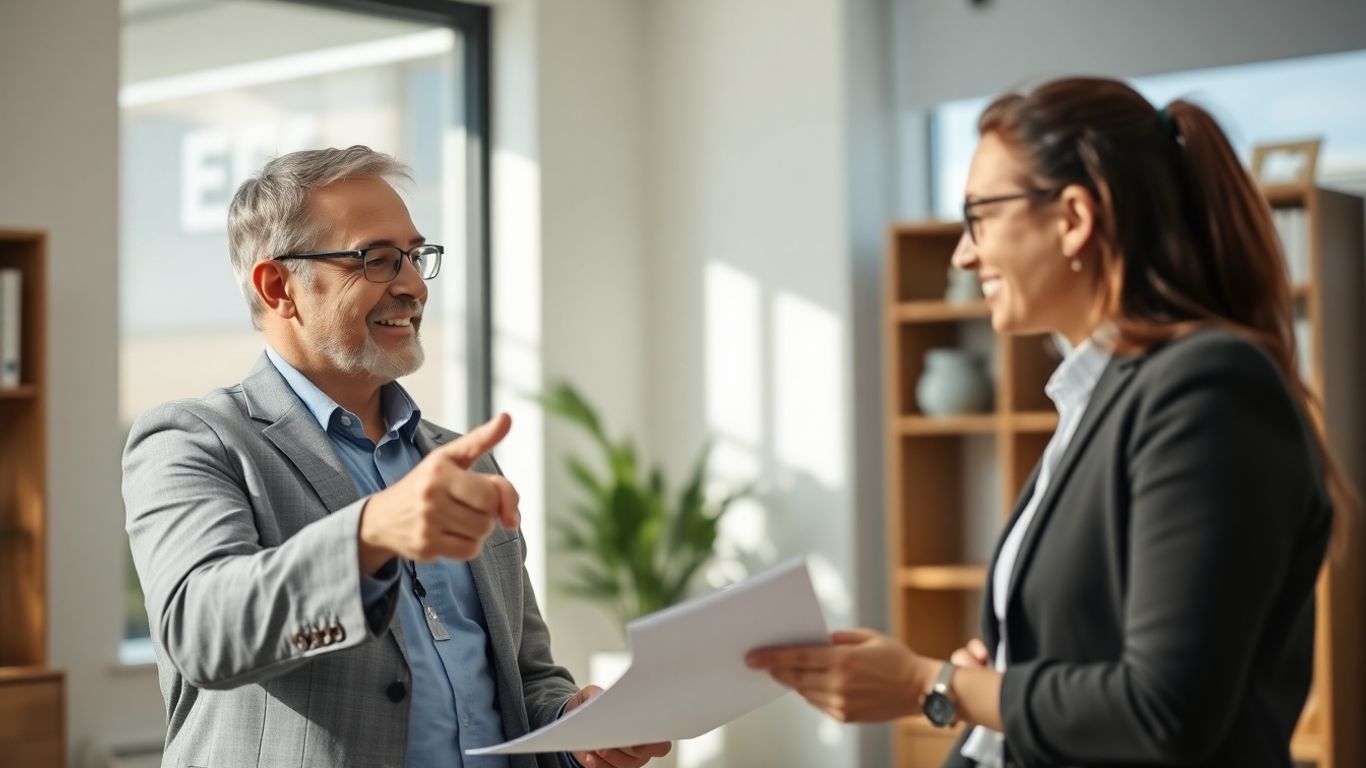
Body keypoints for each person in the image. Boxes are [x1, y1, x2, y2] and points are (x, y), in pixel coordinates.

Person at [746, 76, 1345, 767]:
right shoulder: (1097, 399)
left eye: (979, 217)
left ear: (1072, 219)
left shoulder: (1207, 389)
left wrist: (933, 684)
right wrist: (988, 680)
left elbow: (1163, 710)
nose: (962, 255)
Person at [124, 146, 670, 768]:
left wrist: (576, 730)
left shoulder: (463, 464)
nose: (412, 286)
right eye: (377, 260)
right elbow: (203, 633)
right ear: (279, 287)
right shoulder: (195, 440)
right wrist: (372, 531)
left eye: (414, 257)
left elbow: (524, 679)